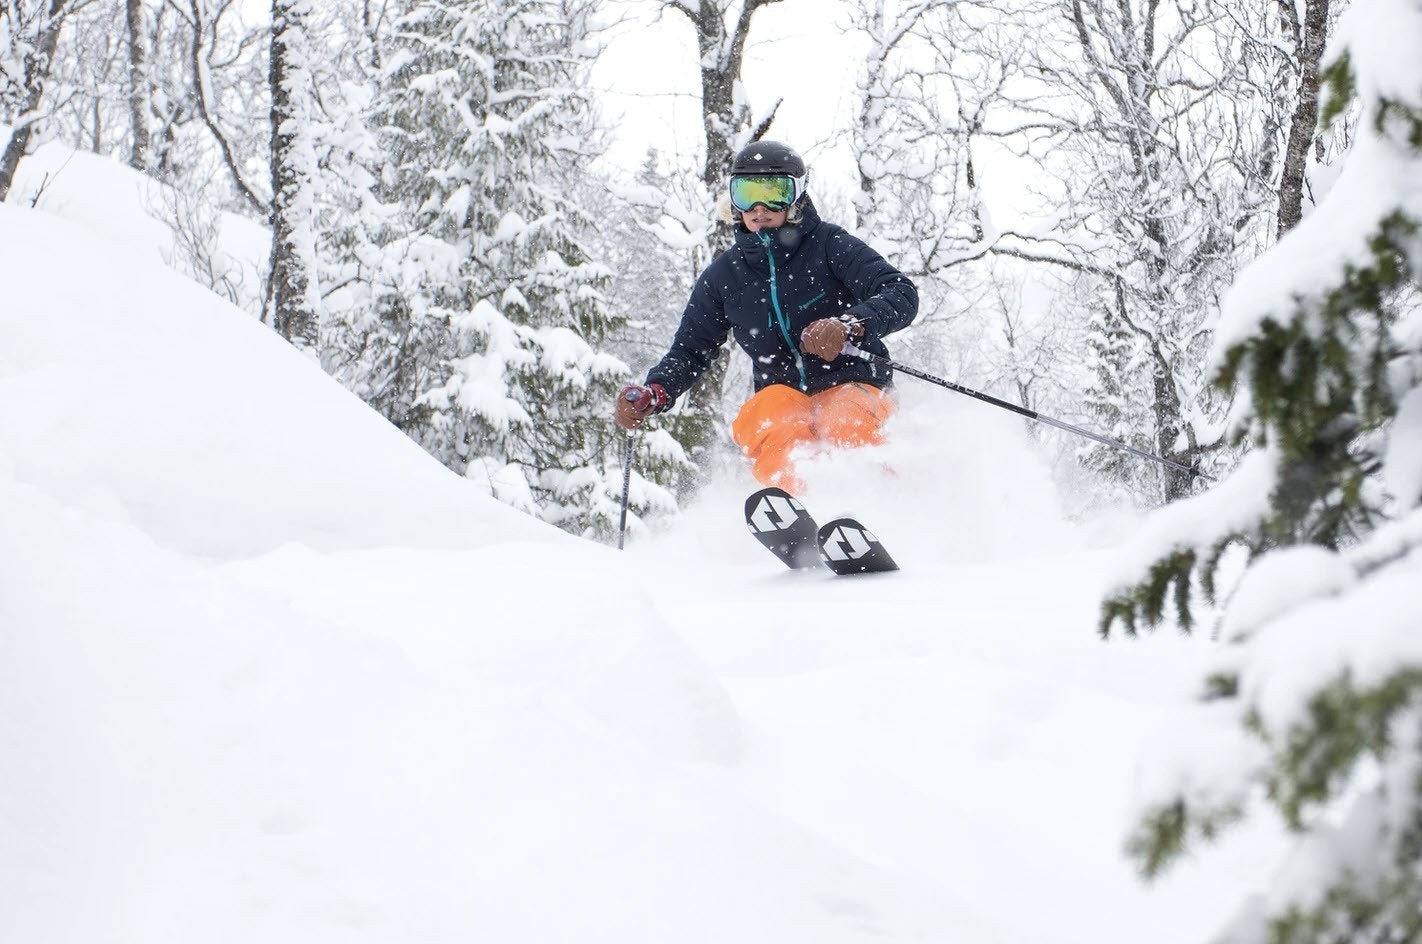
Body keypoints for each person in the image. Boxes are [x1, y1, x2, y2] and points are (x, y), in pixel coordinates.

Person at [615, 140, 918, 493]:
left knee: (845, 417)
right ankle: (801, 508)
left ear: (797, 196)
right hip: (785, 392)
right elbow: (690, 350)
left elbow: (900, 292)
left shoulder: (829, 245)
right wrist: (657, 390)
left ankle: (874, 501)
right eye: (746, 194)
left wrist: (850, 326)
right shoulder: (724, 277)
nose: (759, 208)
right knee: (766, 416)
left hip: (854, 383)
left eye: (774, 192)